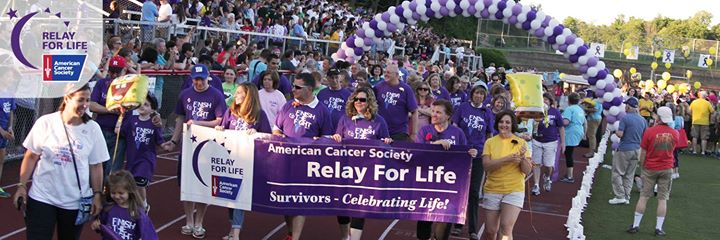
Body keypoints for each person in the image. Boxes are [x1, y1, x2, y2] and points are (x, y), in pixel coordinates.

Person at [14, 84, 109, 239]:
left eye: (88, 100)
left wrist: (97, 194)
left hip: (74, 202)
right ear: (67, 98)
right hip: (42, 197)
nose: (85, 105)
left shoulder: (93, 129)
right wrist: (22, 185)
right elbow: (31, 156)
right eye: (80, 100)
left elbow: (96, 165)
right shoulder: (45, 123)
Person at [161, 64, 226, 238]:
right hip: (188, 144)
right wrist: (174, 140)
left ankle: (199, 222)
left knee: (203, 184)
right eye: (196, 79)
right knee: (186, 184)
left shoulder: (216, 95)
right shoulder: (185, 94)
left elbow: (220, 121)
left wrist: (199, 123)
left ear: (208, 78)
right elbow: (180, 118)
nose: (198, 82)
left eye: (202, 79)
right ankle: (189, 220)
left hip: (207, 144)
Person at [273, 72, 335, 240]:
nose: (293, 89)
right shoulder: (288, 105)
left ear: (309, 89)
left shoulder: (322, 110)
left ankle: (296, 237)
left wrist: (318, 142)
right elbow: (276, 127)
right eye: (293, 86)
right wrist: (278, 136)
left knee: (298, 200)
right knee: (284, 201)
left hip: (306, 163)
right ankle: (291, 232)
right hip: (285, 160)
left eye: (298, 87)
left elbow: (328, 138)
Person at [330, 87, 392, 240]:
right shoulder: (345, 119)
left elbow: (386, 143)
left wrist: (386, 142)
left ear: (369, 102)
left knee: (360, 206)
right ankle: (345, 236)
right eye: (356, 99)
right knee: (342, 206)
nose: (358, 102)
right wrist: (337, 136)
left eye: (362, 99)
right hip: (346, 169)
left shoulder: (378, 121)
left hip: (367, 171)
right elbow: (338, 136)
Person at [416, 100, 478, 240]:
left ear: (448, 115)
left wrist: (471, 153)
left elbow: (465, 153)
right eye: (433, 111)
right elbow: (417, 153)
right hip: (428, 183)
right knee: (424, 227)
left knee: (443, 226)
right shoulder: (424, 130)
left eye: (438, 112)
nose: (434, 115)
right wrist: (435, 144)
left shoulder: (457, 133)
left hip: (450, 185)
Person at [219, 82, 272, 240]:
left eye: (239, 92)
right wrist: (221, 130)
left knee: (239, 196)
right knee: (229, 195)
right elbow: (223, 128)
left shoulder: (259, 115)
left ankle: (235, 234)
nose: (235, 95)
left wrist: (256, 132)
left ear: (248, 95)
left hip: (248, 162)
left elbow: (268, 137)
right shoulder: (231, 111)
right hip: (229, 161)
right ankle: (231, 230)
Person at [450, 85, 493, 239]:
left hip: (478, 156)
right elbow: (454, 128)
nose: (479, 96)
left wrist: (486, 152)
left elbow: (489, 134)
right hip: (461, 154)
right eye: (476, 93)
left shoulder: (486, 112)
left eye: (482, 94)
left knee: (474, 192)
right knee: (459, 189)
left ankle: (473, 229)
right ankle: (457, 223)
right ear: (472, 94)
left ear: (484, 96)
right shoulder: (462, 108)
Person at [627, 107, 679, 236]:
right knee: (662, 199)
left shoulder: (649, 132)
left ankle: (635, 225)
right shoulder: (675, 133)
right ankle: (658, 228)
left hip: (650, 167)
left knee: (644, 196)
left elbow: (643, 152)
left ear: (658, 118)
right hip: (667, 167)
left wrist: (643, 167)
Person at [481, 110, 533, 240]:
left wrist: (522, 158)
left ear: (512, 125)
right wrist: (508, 159)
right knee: (490, 231)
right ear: (497, 123)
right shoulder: (490, 142)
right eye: (501, 122)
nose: (504, 125)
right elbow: (486, 166)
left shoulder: (521, 143)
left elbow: (527, 171)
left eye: (507, 122)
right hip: (492, 189)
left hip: (514, 190)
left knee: (505, 228)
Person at [115, 95, 167, 212]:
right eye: (141, 104)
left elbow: (160, 141)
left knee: (140, 184)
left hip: (146, 160)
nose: (142, 107)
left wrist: (166, 145)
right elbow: (119, 131)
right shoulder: (132, 121)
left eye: (146, 105)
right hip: (132, 159)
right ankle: (137, 205)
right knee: (131, 185)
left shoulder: (154, 123)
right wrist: (120, 117)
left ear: (153, 110)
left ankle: (143, 205)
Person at [91, 170, 158, 240]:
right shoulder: (108, 208)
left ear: (130, 191)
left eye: (121, 193)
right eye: (113, 193)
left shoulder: (137, 213)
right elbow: (102, 226)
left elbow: (149, 234)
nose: (117, 196)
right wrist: (97, 226)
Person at [609, 97, 647, 205]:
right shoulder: (643, 120)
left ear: (628, 107)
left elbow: (620, 134)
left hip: (625, 148)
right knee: (630, 174)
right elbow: (645, 135)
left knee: (617, 173)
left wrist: (616, 132)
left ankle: (620, 195)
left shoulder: (625, 118)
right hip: (637, 149)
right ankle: (626, 196)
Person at [531, 93, 565, 195]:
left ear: (550, 101)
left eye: (546, 99)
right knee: (536, 163)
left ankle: (547, 177)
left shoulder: (555, 112)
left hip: (550, 141)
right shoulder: (536, 111)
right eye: (542, 99)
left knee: (548, 165)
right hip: (537, 140)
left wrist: (563, 142)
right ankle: (536, 185)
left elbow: (561, 127)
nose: (544, 101)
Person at [374, 63, 418, 141]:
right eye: (385, 72)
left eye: (388, 73)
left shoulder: (406, 89)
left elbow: (414, 111)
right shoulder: (379, 86)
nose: (386, 74)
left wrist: (414, 133)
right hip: (380, 130)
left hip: (399, 132)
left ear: (397, 75)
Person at [560, 93, 585, 183]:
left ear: (569, 100)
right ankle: (568, 174)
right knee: (570, 153)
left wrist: (558, 121)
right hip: (579, 130)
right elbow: (585, 122)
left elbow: (566, 122)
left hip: (571, 132)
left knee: (568, 154)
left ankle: (570, 176)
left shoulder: (569, 109)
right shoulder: (580, 109)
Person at [0, 98, 15, 198]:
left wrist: (10, 127)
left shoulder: (11, 95)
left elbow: (11, 112)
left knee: (1, 161)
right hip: (1, 131)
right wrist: (1, 130)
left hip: (4, 134)